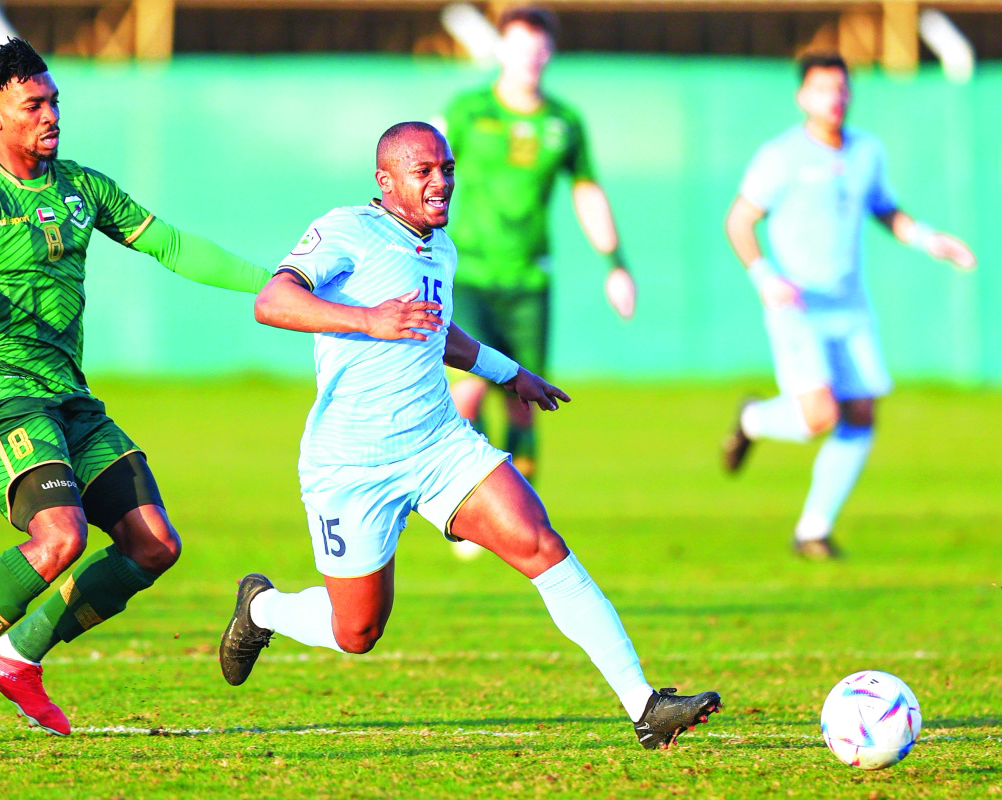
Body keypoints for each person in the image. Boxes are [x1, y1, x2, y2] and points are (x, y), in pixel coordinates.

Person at [218, 121, 720, 750]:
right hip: (350, 466)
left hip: (437, 446)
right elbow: (272, 301)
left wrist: (510, 374)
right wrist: (368, 319)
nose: (440, 182)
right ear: (385, 180)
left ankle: (645, 706)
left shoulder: (441, 248)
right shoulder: (348, 228)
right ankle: (261, 609)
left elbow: (440, 332)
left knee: (541, 544)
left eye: (446, 169)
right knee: (358, 632)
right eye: (422, 171)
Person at [0, 38, 270, 743]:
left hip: (70, 399)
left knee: (154, 543)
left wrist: (270, 283)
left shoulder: (80, 188)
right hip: (3, 398)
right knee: (60, 536)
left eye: (54, 102)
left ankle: (15, 656)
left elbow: (171, 244)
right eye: (33, 104)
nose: (50, 115)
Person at [722, 53, 976, 559]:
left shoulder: (866, 152)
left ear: (849, 95)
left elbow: (887, 211)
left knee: (860, 412)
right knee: (818, 415)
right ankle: (753, 419)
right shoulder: (782, 155)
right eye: (821, 90)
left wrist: (930, 240)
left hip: (849, 305)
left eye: (840, 89)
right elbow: (739, 221)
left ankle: (813, 529)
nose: (833, 99)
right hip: (797, 304)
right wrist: (763, 275)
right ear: (802, 97)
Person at [441, 6, 636, 494]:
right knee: (465, 391)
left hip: (530, 282)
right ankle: (470, 502)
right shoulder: (468, 110)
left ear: (550, 52)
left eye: (540, 48)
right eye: (521, 47)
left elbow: (587, 191)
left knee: (521, 399)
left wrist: (616, 266)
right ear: (501, 48)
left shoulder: (564, 122)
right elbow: (423, 166)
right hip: (468, 276)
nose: (532, 58)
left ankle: (519, 508)